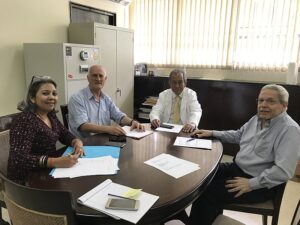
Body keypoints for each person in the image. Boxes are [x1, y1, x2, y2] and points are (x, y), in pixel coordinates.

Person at [188, 84, 300, 225]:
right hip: (238, 168)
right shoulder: (257, 119)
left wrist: (251, 184)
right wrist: (212, 133)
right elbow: (238, 135)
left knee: (207, 193)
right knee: (202, 176)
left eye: (270, 101)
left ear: (284, 105)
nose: (263, 105)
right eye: (260, 100)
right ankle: (208, 219)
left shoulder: (290, 130)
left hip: (259, 182)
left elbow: (284, 171)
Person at [7, 76, 84, 185]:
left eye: (54, 93)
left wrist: (77, 143)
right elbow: (19, 158)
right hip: (26, 181)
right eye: (45, 93)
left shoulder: (50, 116)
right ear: (32, 98)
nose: (52, 97)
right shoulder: (25, 120)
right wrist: (55, 162)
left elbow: (65, 135)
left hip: (47, 173)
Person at [68, 65, 145, 138]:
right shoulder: (77, 98)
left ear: (105, 79)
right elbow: (82, 126)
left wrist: (132, 122)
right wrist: (109, 129)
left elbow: (118, 115)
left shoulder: (106, 98)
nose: (98, 79)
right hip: (83, 145)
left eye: (101, 76)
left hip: (103, 142)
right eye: (94, 75)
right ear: (88, 78)